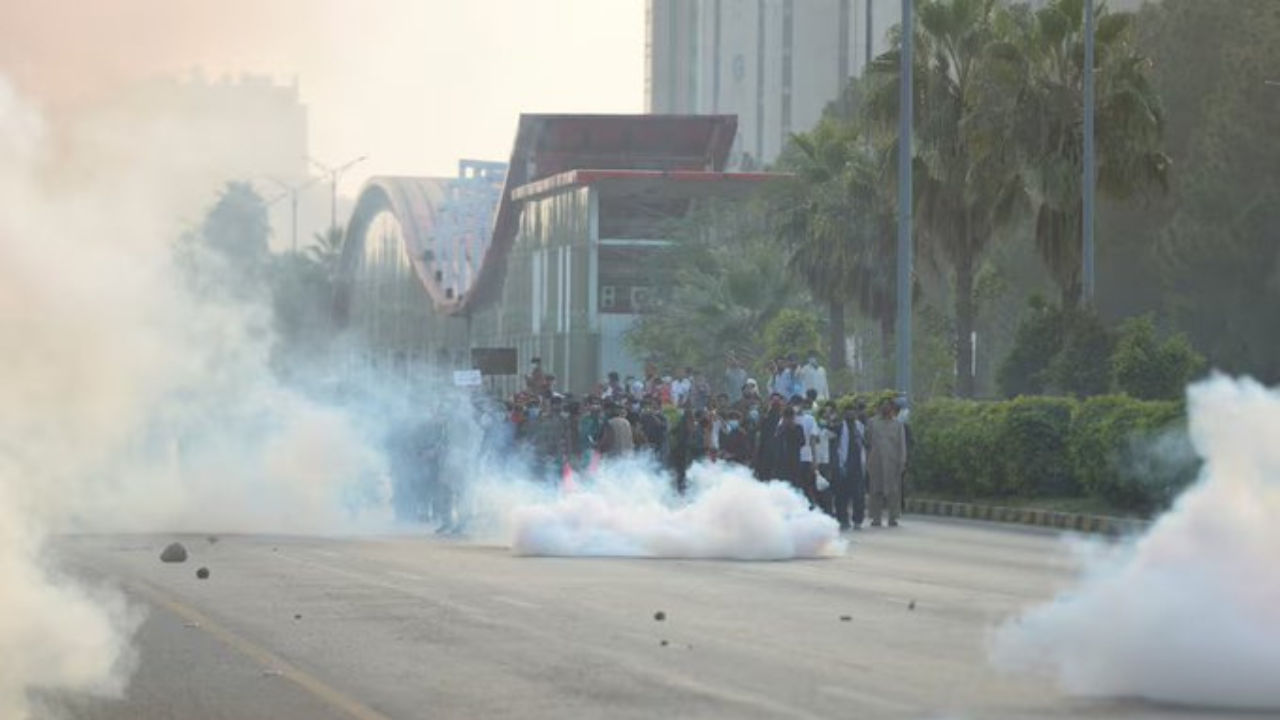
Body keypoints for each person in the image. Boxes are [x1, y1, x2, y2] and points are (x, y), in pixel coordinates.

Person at [866, 398, 907, 527]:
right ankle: (876, 518)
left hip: (892, 462)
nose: (885, 409)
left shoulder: (898, 425)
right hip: (876, 461)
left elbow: (902, 444)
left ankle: (893, 518)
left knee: (893, 491)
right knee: (875, 490)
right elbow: (867, 442)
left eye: (888, 406)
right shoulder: (872, 423)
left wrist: (902, 461)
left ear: (892, 408)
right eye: (883, 406)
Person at [835, 404, 867, 530]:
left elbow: (865, 442)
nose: (851, 415)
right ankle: (843, 520)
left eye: (853, 413)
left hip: (858, 466)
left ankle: (857, 520)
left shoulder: (860, 427)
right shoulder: (839, 427)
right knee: (842, 495)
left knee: (858, 495)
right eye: (848, 413)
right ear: (845, 415)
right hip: (844, 465)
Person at [774, 407, 806, 491]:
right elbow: (776, 440)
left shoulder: (798, 428)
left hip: (794, 461)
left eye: (790, 417)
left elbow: (802, 442)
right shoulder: (780, 428)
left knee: (795, 485)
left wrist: (793, 428)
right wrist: (783, 427)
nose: (789, 419)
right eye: (786, 417)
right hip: (781, 463)